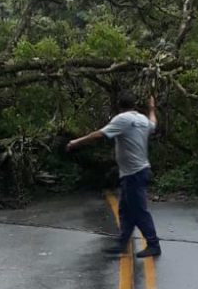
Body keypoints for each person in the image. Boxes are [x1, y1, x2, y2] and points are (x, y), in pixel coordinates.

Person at [66, 91, 162, 258]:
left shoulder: (122, 119)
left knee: (139, 211)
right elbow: (153, 123)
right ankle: (122, 243)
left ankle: (153, 245)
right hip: (138, 171)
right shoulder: (142, 119)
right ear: (134, 105)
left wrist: (76, 142)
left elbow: (99, 134)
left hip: (134, 173)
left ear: (119, 106)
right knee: (125, 209)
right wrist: (152, 108)